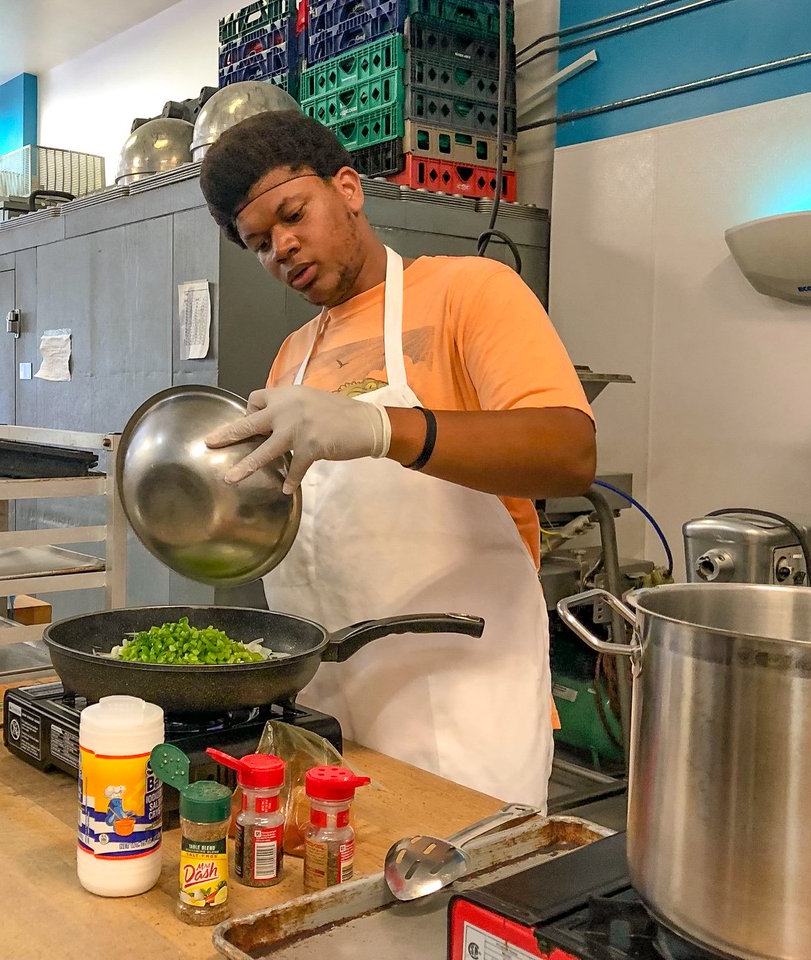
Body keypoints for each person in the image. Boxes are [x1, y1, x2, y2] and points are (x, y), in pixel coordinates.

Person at [199, 110, 595, 807]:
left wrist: (384, 428)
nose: (282, 248)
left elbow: (568, 454)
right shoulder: (293, 356)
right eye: (259, 244)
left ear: (348, 188)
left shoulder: (470, 293)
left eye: (294, 215)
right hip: (327, 711)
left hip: (461, 706)